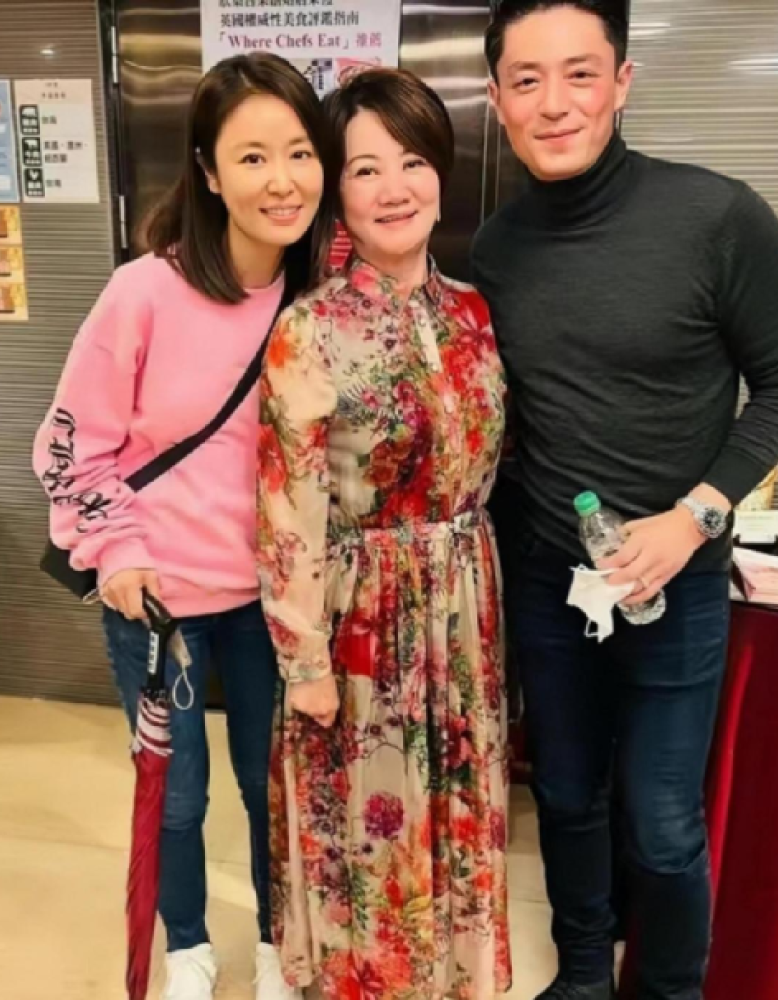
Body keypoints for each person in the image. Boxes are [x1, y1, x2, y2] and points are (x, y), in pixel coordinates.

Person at [471, 3, 778, 1000]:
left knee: (662, 823)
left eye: (579, 74)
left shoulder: (717, 217)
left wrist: (693, 515)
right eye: (527, 80)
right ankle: (583, 975)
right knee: (566, 795)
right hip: (552, 580)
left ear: (622, 82)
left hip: (679, 580)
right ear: (496, 100)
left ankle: (667, 990)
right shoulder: (494, 249)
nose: (553, 104)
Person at [33, 53, 333, 1000]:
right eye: (252, 157)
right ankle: (190, 947)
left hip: (272, 604)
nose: (281, 180)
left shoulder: (324, 294)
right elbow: (69, 446)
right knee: (178, 795)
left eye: (299, 152)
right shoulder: (144, 293)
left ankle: (282, 944)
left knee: (273, 787)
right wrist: (117, 554)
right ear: (207, 172)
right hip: (158, 599)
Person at [257, 68, 511, 1000]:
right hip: (361, 624)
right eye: (365, 170)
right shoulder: (309, 328)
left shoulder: (474, 311)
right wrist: (303, 661)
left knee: (456, 814)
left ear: (440, 172)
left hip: (465, 613)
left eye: (411, 162)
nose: (393, 188)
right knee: (371, 837)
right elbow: (286, 509)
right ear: (337, 193)